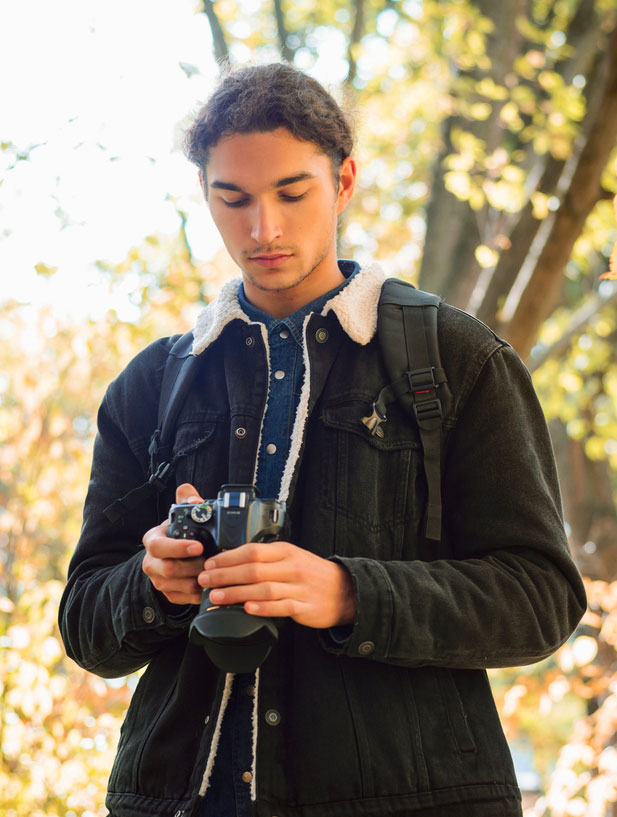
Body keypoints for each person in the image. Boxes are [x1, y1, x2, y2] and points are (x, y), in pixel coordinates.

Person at [59, 62, 586, 817]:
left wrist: (348, 593)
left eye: (291, 194)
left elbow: (541, 598)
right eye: (231, 198)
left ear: (343, 183)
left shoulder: (458, 360)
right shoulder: (149, 386)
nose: (261, 228)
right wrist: (152, 584)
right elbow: (85, 623)